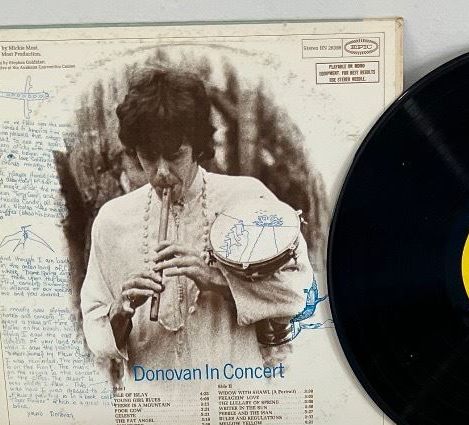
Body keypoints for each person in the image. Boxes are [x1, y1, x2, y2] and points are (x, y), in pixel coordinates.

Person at [79, 67, 310, 375]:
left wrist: (218, 280)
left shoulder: (248, 198)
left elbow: (301, 295)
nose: (161, 172)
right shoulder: (113, 220)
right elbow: (96, 336)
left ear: (198, 148)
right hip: (154, 397)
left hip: (234, 393)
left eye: (174, 155)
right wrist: (120, 310)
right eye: (149, 156)